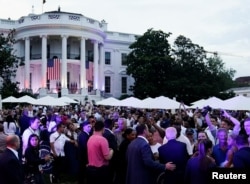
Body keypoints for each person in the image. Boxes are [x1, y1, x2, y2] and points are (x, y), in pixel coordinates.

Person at [86, 120, 114, 184]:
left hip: (90, 169)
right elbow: (107, 157)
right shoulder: (103, 140)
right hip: (100, 170)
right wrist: (111, 150)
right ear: (103, 128)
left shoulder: (90, 138)